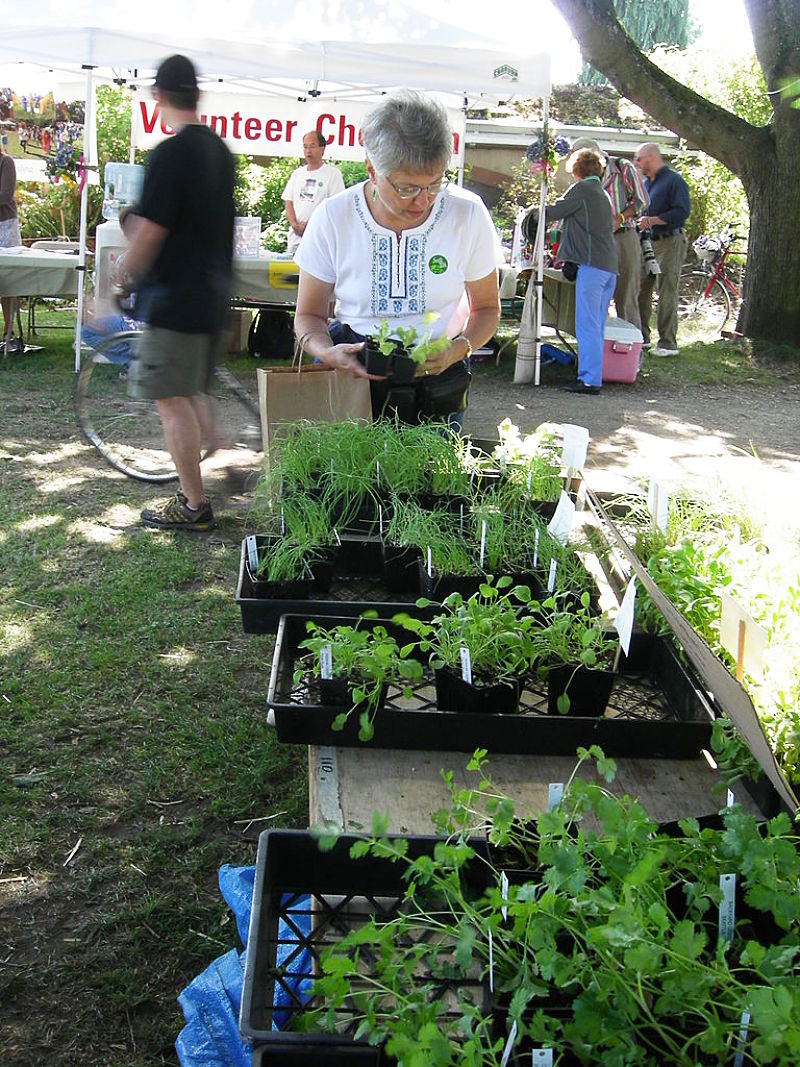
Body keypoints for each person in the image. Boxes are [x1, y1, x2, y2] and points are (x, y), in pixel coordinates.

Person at [293, 90, 503, 429]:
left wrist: (457, 350)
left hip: (437, 382)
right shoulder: (334, 216)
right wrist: (328, 352)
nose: (423, 200)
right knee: (350, 477)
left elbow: (488, 311)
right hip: (354, 379)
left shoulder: (467, 214)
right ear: (372, 171)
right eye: (406, 188)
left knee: (429, 479)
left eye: (434, 184)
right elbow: (307, 316)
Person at [116, 54, 234, 531]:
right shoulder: (218, 151)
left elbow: (150, 232)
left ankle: (193, 505)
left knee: (171, 399)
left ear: (157, 97)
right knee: (190, 389)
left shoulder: (168, 155)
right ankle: (228, 459)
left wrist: (120, 278)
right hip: (211, 297)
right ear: (198, 96)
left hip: (175, 300)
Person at [523, 148, 618, 395]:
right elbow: (579, 229)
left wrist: (531, 212)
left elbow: (552, 212)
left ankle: (588, 380)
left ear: (576, 169)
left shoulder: (582, 189)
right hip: (608, 267)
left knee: (586, 324)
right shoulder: (601, 193)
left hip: (592, 266)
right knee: (595, 325)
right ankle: (592, 376)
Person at [570, 136, 648, 331]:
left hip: (623, 236)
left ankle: (631, 352)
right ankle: (601, 352)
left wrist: (619, 218)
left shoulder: (622, 168)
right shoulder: (581, 178)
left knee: (626, 296)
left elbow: (642, 201)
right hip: (595, 243)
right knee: (595, 299)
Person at [634, 142, 691, 356]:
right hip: (648, 242)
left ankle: (667, 343)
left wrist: (653, 221)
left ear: (651, 158)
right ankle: (641, 336)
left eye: (639, 159)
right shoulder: (646, 184)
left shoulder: (674, 181)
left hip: (670, 241)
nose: (636, 163)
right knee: (640, 289)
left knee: (666, 290)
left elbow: (681, 212)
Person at [281, 131, 345, 257]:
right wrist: (295, 225)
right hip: (296, 240)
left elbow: (335, 206)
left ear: (322, 149)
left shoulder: (333, 174)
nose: (308, 151)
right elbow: (288, 202)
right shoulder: (297, 174)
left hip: (319, 241)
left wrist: (310, 227)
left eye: (312, 146)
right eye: (305, 147)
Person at [0, 139, 22, 353]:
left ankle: (9, 331)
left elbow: (5, 195)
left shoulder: (6, 162)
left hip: (4, 225)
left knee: (9, 278)